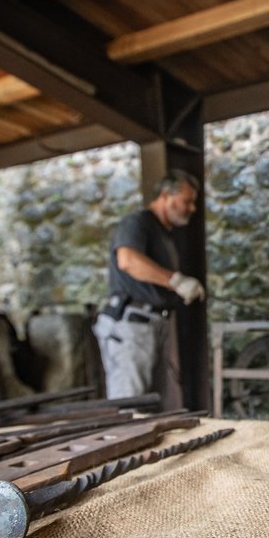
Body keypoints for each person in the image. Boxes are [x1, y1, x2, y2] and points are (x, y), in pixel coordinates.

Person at [94, 171, 205, 400]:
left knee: (147, 406)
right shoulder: (136, 222)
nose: (192, 208)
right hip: (130, 325)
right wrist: (176, 281)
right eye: (187, 201)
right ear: (166, 196)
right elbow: (128, 261)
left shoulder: (164, 233)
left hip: (152, 325)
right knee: (130, 406)